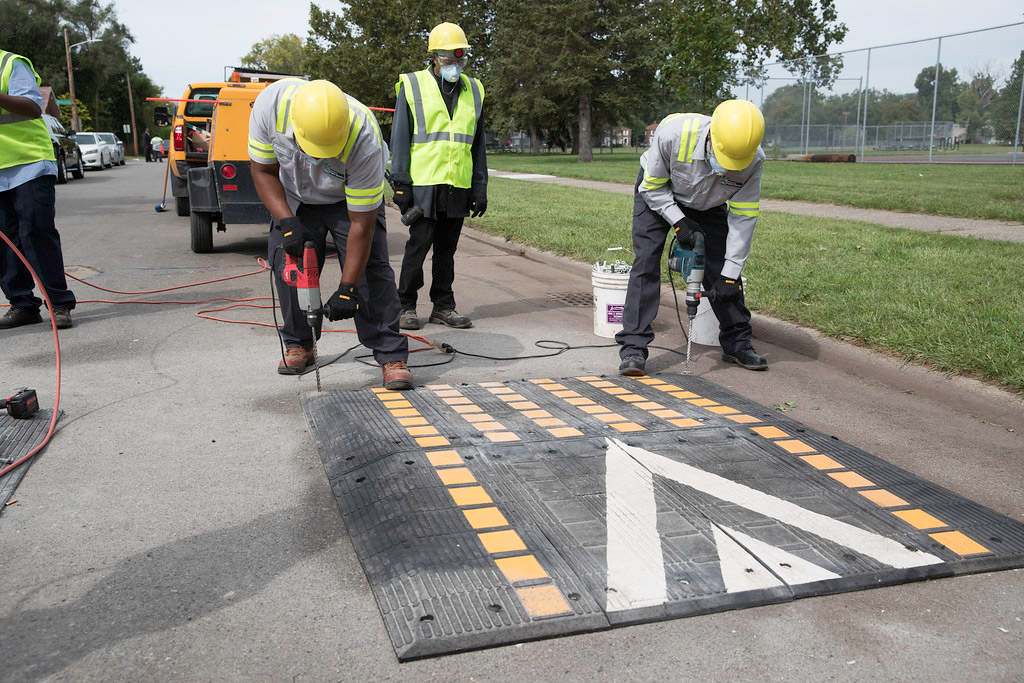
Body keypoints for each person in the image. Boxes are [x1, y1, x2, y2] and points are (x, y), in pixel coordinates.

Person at [248, 78, 413, 390]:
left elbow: (361, 226)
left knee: (370, 272)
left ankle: (391, 353)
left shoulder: (365, 137)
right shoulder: (270, 107)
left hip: (347, 202)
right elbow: (262, 171)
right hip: (294, 197)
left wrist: (347, 288)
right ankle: (301, 344)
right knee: (291, 267)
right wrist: (286, 221)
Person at [616, 99, 767, 376]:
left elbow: (744, 218)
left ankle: (737, 343)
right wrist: (679, 222)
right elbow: (651, 188)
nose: (727, 167)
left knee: (722, 269)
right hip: (660, 192)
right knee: (647, 259)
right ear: (711, 136)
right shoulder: (673, 134)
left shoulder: (753, 160)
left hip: (708, 203)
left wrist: (731, 274)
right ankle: (634, 348)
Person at [390, 22, 487, 331]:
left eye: (460, 58)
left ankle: (443, 306)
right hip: (423, 184)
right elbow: (401, 138)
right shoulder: (413, 85)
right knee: (418, 247)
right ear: (433, 56)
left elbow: (478, 143)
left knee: (447, 251)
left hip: (457, 183)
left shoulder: (474, 89)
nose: (455, 64)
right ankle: (405, 305)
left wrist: (479, 186)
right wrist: (401, 184)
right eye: (448, 58)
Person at [0, 49, 75, 330]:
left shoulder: (10, 63)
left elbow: (32, 107)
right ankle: (22, 305)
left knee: (34, 230)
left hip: (28, 162)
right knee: (5, 241)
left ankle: (59, 303)